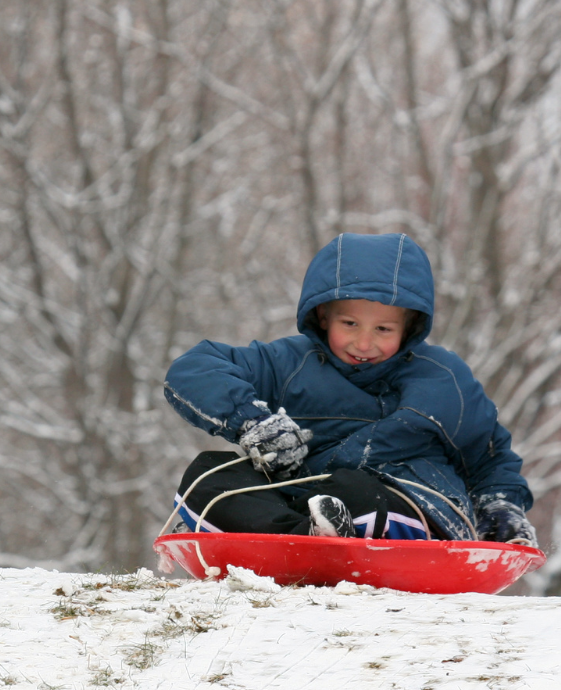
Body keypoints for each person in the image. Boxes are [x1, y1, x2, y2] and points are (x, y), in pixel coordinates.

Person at [163, 232, 537, 547]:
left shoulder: (443, 379)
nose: (364, 342)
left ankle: (332, 533)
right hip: (299, 503)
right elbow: (194, 369)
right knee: (209, 473)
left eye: (383, 330)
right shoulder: (288, 363)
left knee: (353, 488)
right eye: (350, 323)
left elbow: (488, 455)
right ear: (323, 316)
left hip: (405, 501)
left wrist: (501, 507)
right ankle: (303, 539)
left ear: (409, 328)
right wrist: (251, 423)